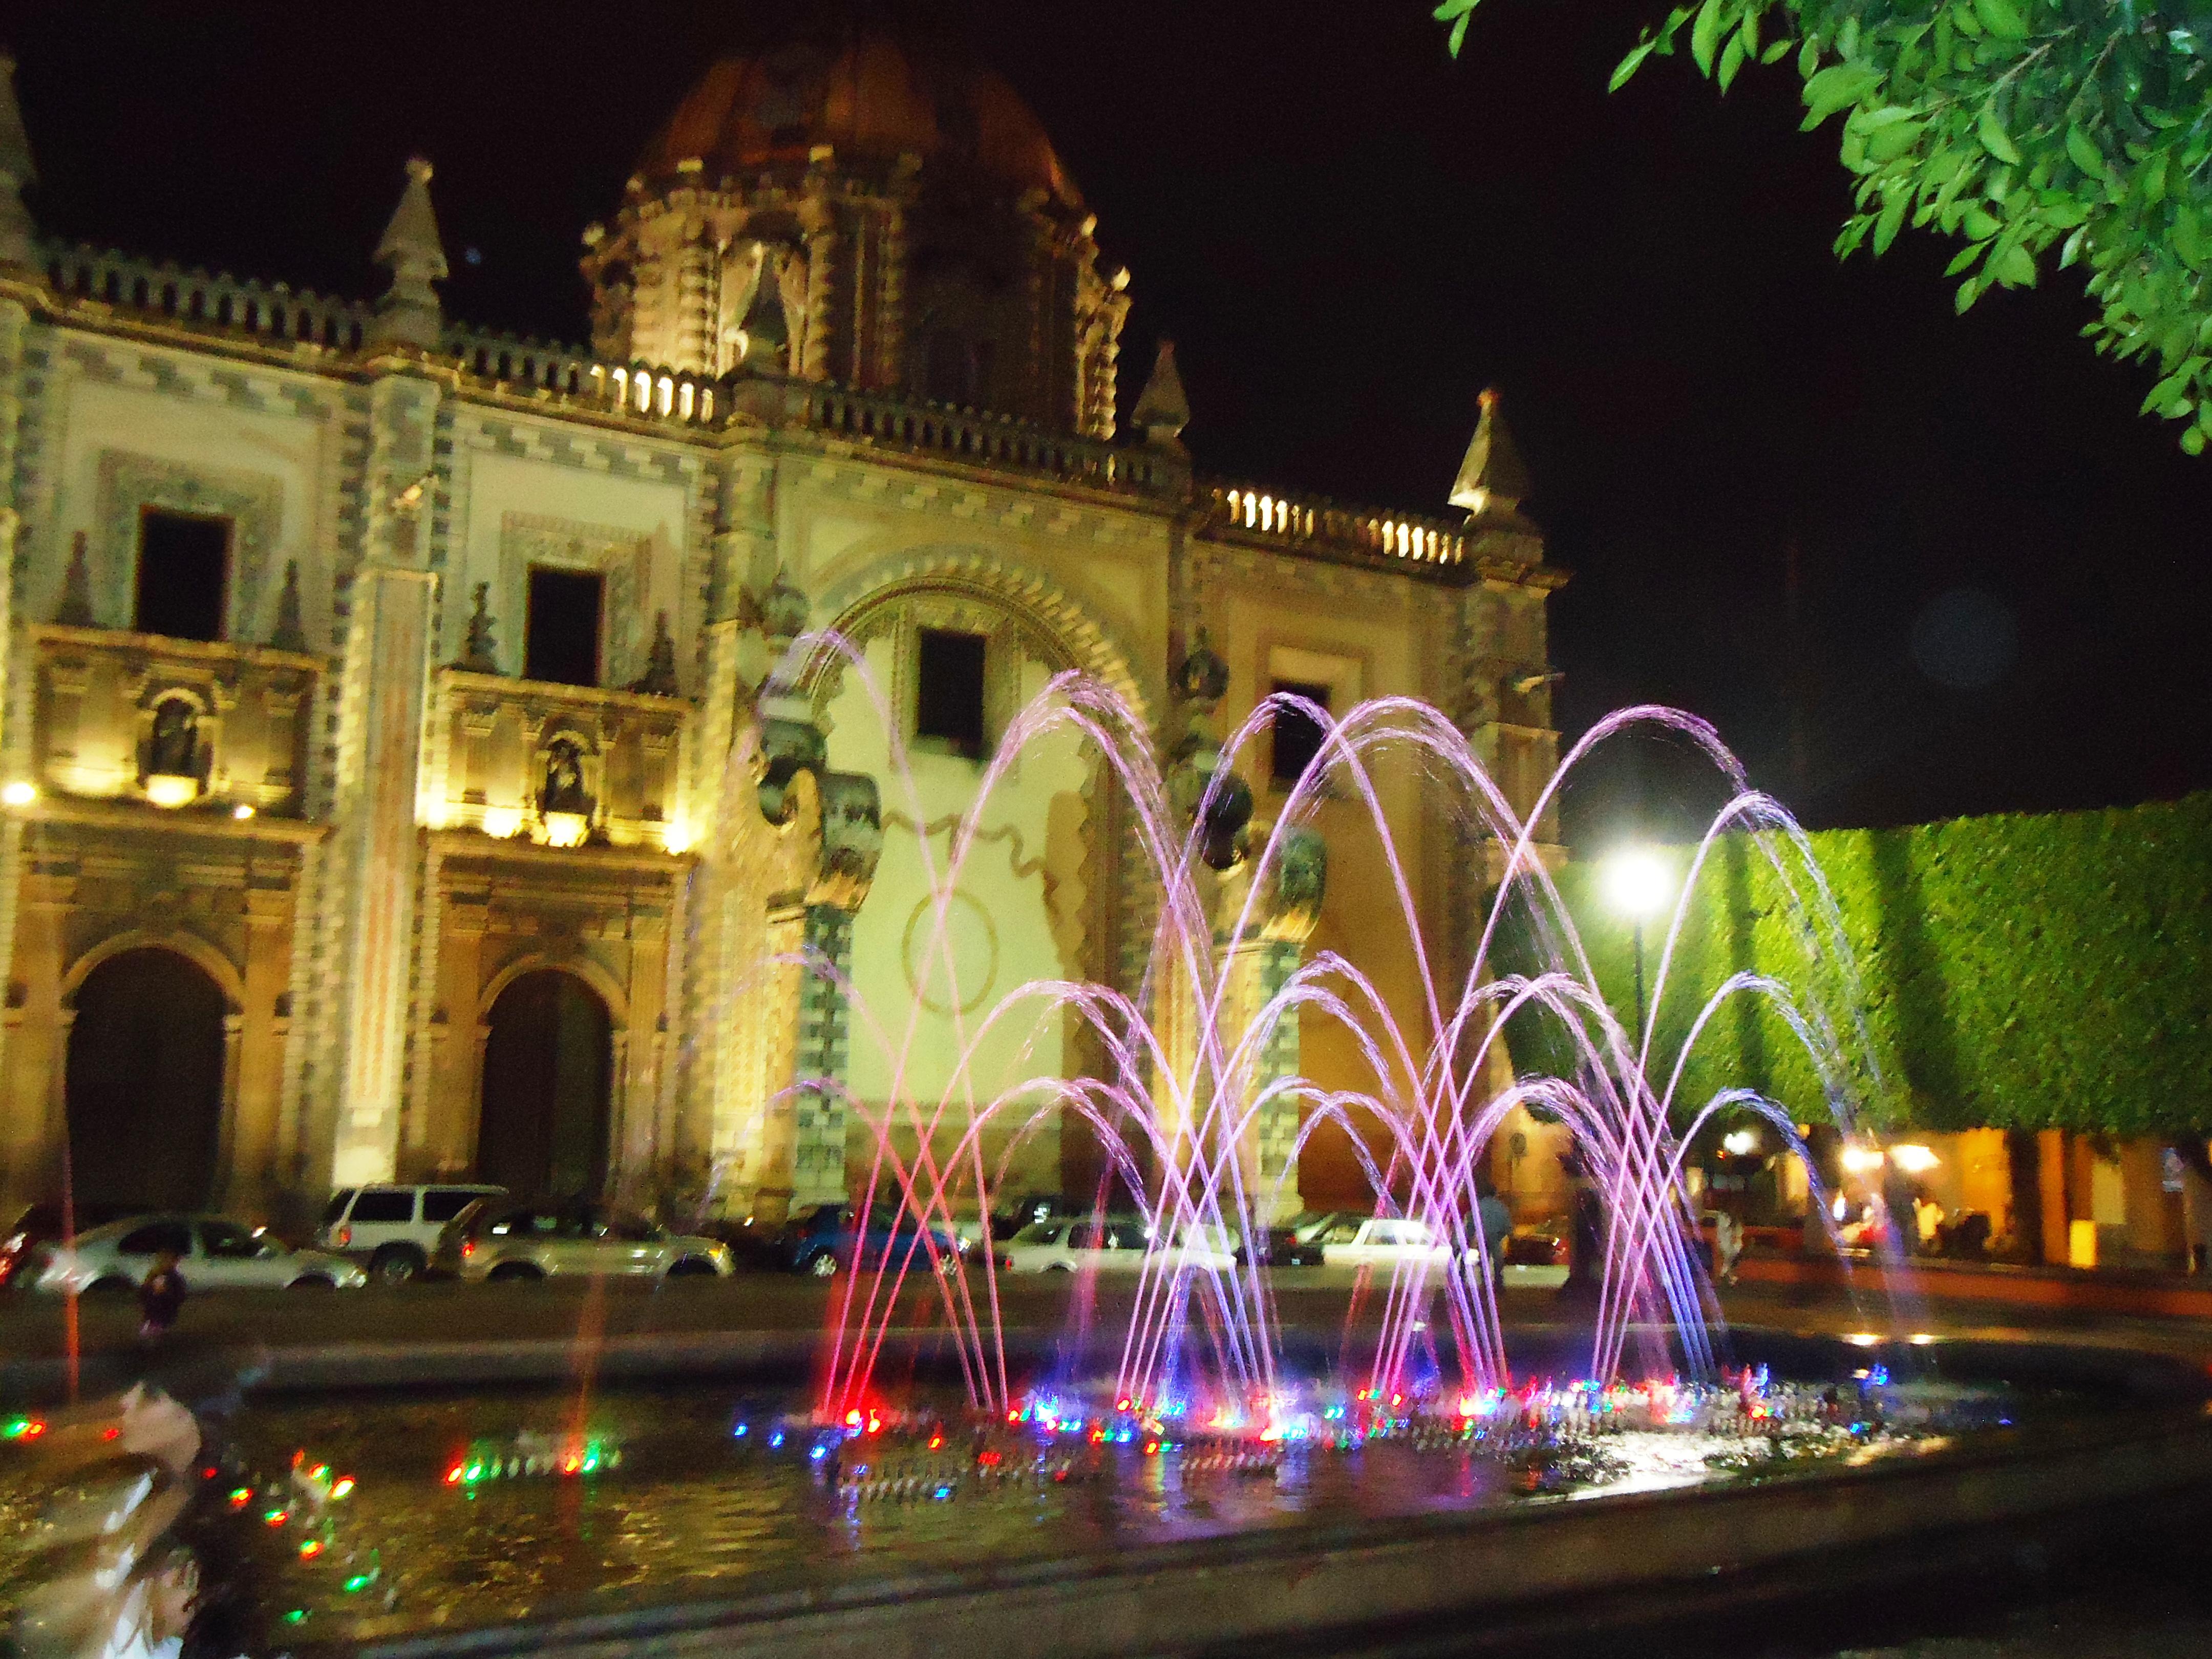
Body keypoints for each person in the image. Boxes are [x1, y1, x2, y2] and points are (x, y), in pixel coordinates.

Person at [138, 1249, 186, 1347]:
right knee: (149, 1337)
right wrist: (148, 1286)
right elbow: (143, 1295)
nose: (162, 1263)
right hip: (151, 1315)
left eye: (167, 1260)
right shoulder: (153, 1275)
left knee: (158, 1338)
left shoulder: (175, 1279)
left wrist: (165, 1292)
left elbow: (180, 1297)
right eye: (161, 1260)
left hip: (165, 1316)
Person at [1476, 1178, 1513, 1289]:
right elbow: (1506, 1219)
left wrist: (1471, 1233)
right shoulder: (1500, 1206)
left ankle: (1485, 1279)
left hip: (1483, 1235)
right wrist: (1509, 1232)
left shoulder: (1479, 1205)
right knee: (1498, 1257)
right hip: (1497, 1236)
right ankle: (1498, 1278)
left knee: (1484, 1257)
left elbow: (1474, 1220)